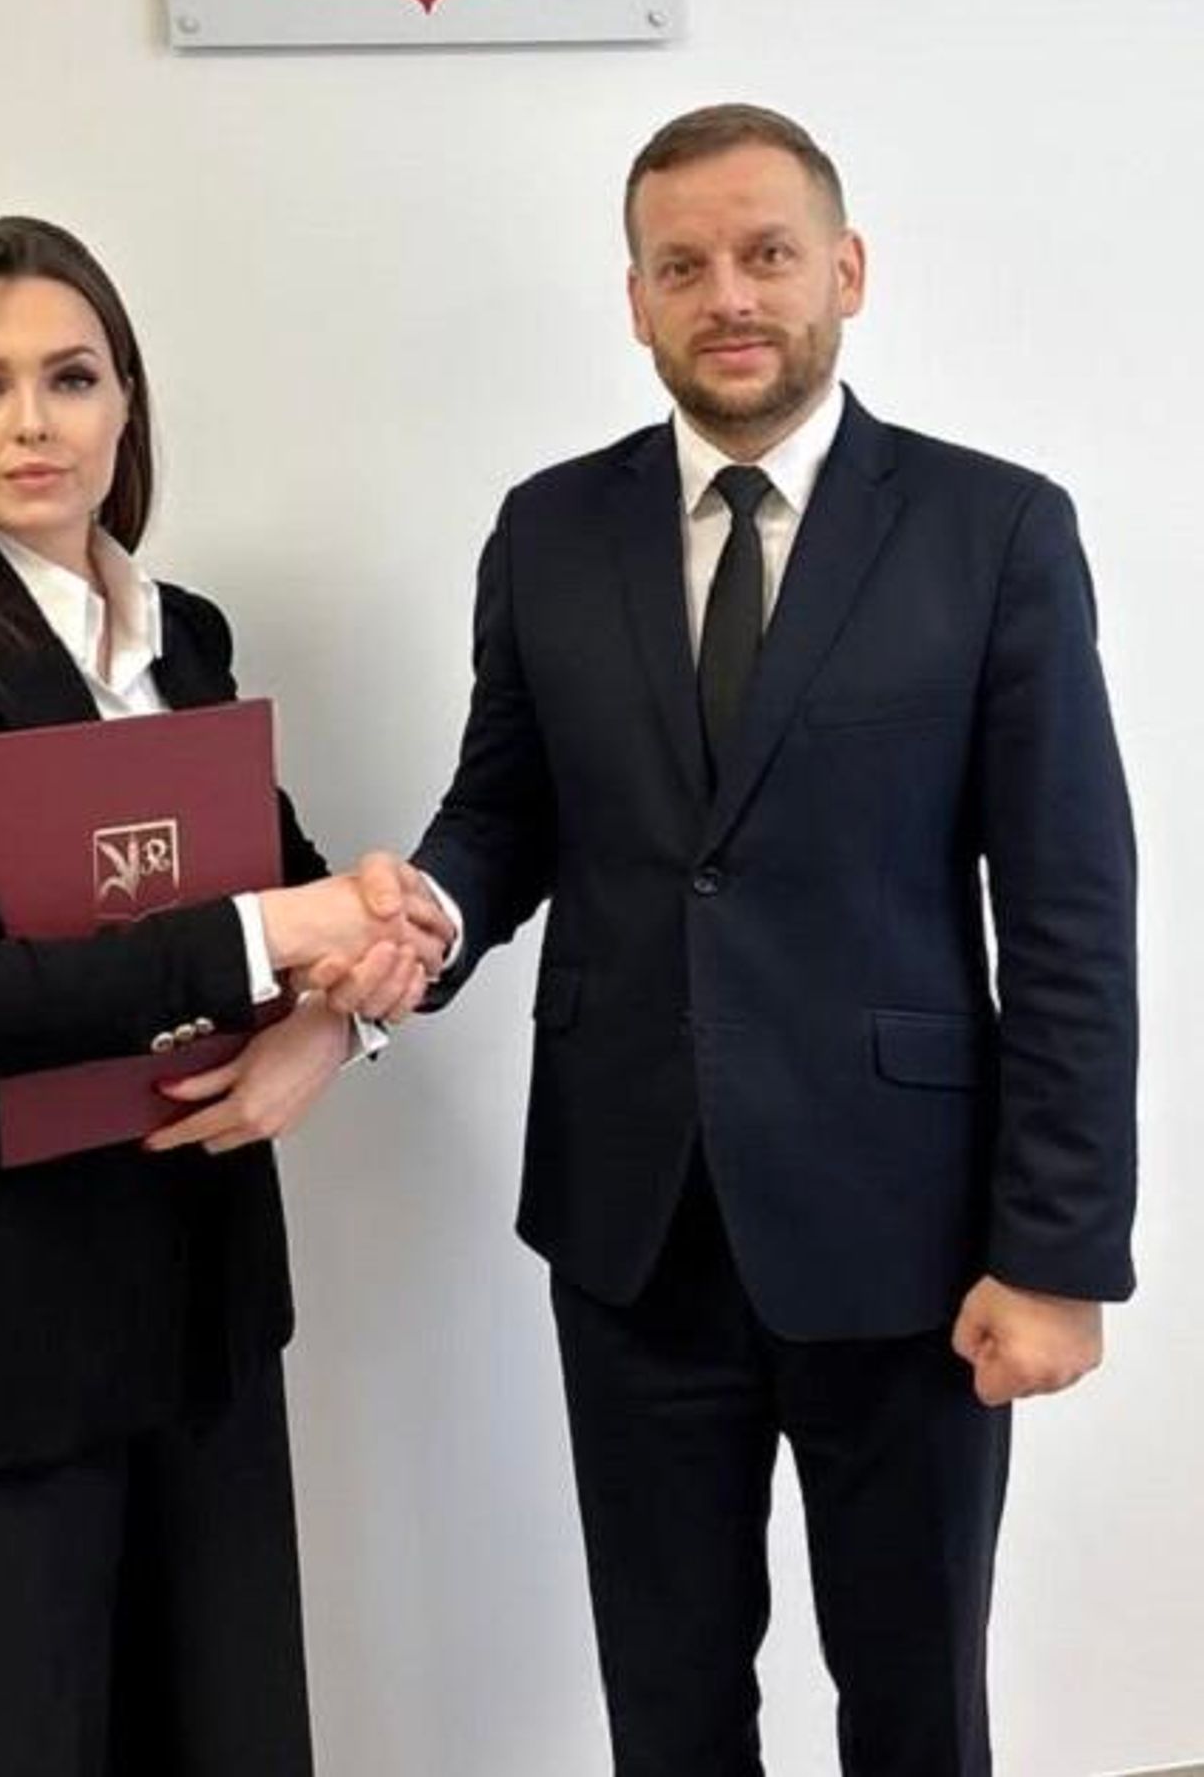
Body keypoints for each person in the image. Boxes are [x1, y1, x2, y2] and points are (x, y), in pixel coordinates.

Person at [404, 106, 1137, 1775]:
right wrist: (420, 918)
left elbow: (1070, 915)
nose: (726, 295)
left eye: (765, 254)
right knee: (666, 1705)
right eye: (682, 266)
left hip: (909, 1240)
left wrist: (1057, 1250)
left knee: (913, 1699)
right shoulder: (547, 530)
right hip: (629, 1224)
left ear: (845, 271)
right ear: (635, 300)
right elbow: (503, 813)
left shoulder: (992, 530)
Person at [0, 214, 444, 1777]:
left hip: (197, 1309)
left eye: (70, 377)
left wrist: (343, 1009)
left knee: (229, 1744)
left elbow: (297, 907)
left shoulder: (182, 635)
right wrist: (281, 926)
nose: (32, 421)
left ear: (126, 403)